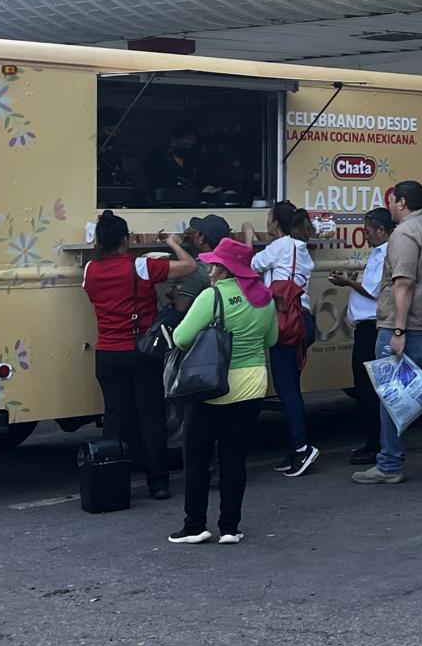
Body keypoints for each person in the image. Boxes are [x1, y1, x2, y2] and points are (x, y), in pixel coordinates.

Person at [352, 181, 422, 486]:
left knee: (391, 395)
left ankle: (390, 464)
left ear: (401, 202)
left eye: (392, 202)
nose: (389, 208)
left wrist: (398, 330)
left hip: (408, 327)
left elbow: (403, 284)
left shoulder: (404, 233)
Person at [168, 238, 278, 545]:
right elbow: (271, 340)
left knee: (197, 456)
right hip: (254, 384)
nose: (210, 269)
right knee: (233, 457)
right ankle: (230, 527)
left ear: (224, 268)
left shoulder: (211, 297)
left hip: (212, 385)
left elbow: (180, 337)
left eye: (214, 264)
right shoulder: (264, 298)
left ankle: (195, 525)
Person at [82, 211, 197, 500]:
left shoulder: (90, 270)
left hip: (107, 353)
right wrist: (172, 243)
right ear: (125, 240)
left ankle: (111, 481)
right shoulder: (141, 266)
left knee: (115, 420)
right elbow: (189, 266)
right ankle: (157, 483)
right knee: (152, 418)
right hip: (142, 350)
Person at [247, 201, 318, 478]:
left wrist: (250, 237)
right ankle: (294, 447)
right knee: (291, 388)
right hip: (304, 321)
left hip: (286, 323)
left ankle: (301, 448)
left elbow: (253, 265)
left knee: (287, 389)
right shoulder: (299, 247)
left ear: (275, 224)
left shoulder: (281, 246)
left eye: (268, 217)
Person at [334, 206, 392, 465]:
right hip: (369, 327)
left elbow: (375, 290)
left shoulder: (385, 253)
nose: (365, 236)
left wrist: (348, 283)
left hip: (372, 327)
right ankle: (377, 442)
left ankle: (375, 444)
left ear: (381, 230)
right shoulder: (379, 253)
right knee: (368, 388)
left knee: (367, 389)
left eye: (368, 231)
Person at [171, 215, 234, 316]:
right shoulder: (234, 262)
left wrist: (173, 293)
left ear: (201, 239)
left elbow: (181, 307)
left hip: (202, 324)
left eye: (197, 232)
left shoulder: (196, 270)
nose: (194, 234)